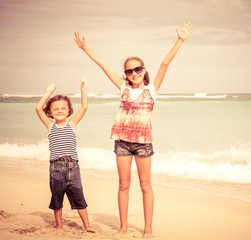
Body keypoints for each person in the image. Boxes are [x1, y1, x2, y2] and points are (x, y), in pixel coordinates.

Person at [74, 21, 193, 236]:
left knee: (146, 185)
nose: (134, 73)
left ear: (144, 69)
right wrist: (84, 48)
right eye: (129, 71)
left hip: (143, 144)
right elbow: (104, 66)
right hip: (122, 142)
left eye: (137, 69)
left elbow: (165, 63)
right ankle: (123, 227)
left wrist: (180, 40)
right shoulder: (123, 88)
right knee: (123, 185)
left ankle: (147, 228)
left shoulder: (152, 89)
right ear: (126, 74)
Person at [35, 79, 94, 232]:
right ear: (50, 112)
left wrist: (83, 89)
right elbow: (38, 108)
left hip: (73, 167)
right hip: (56, 168)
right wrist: (48, 92)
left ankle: (87, 226)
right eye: (56, 108)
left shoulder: (72, 124)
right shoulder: (50, 125)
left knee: (80, 197)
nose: (60, 110)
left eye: (63, 108)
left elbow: (85, 107)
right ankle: (59, 225)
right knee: (57, 198)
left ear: (69, 111)